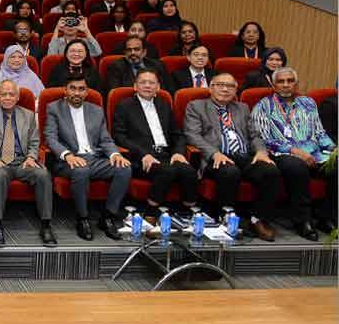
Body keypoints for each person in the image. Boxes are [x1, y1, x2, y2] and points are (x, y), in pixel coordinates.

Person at [183, 72, 281, 241]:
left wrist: (260, 151)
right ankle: (226, 216)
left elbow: (254, 135)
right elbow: (193, 135)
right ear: (211, 88)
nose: (225, 89)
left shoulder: (242, 108)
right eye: (220, 85)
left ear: (236, 90)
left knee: (270, 171)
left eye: (230, 86)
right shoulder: (196, 106)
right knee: (230, 172)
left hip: (243, 155)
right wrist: (214, 153)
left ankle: (257, 219)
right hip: (216, 155)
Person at [44, 73, 131, 240]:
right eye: (73, 89)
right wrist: (67, 155)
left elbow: (105, 139)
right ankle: (82, 219)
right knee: (81, 170)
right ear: (65, 90)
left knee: (124, 168)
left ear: (87, 92)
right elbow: (50, 138)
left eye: (81, 89)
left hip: (94, 158)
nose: (77, 93)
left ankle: (107, 217)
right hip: (67, 161)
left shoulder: (96, 110)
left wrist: (114, 154)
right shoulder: (54, 108)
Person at [252, 67, 336, 239]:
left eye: (290, 81)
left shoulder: (308, 103)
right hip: (283, 154)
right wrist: (295, 151)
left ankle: (326, 217)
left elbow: (319, 132)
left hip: (315, 153)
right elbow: (265, 139)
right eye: (281, 82)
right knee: (297, 167)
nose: (286, 85)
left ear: (296, 84)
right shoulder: (263, 106)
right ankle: (302, 220)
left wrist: (333, 148)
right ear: (273, 85)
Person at [0, 80, 55, 244]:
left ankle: (46, 224)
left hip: (21, 162)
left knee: (43, 174)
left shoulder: (28, 115)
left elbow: (34, 141)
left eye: (11, 94)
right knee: (0, 174)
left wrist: (32, 157)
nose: (7, 97)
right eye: (3, 94)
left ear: (18, 97)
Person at [112, 69, 199, 215]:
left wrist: (178, 153)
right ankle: (151, 212)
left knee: (189, 171)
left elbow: (177, 134)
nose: (147, 86)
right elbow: (119, 136)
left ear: (158, 87)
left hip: (166, 154)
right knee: (167, 171)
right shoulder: (125, 105)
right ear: (135, 86)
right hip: (141, 157)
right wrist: (143, 154)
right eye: (143, 82)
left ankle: (186, 212)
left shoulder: (164, 104)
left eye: (151, 83)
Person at [104, 36, 172, 94]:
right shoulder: (115, 67)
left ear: (144, 52)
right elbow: (115, 94)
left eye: (136, 49)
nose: (132, 53)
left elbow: (166, 91)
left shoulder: (157, 65)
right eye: (129, 50)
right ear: (125, 53)